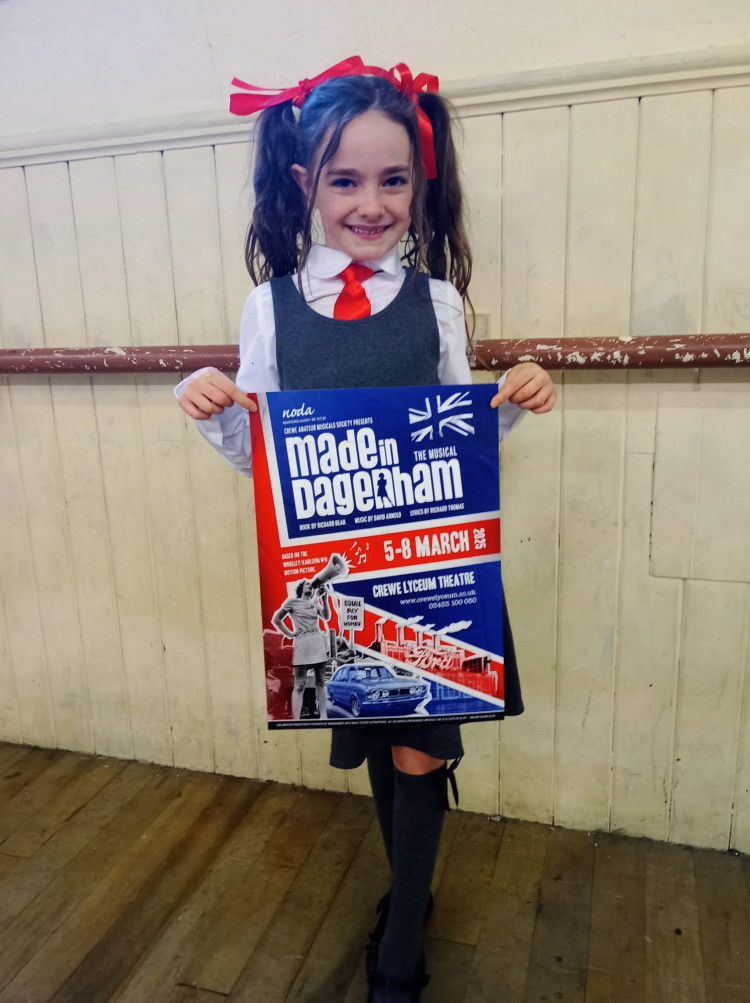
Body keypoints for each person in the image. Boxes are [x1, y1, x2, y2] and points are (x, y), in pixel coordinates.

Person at [176, 57, 556, 1003]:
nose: (371, 201)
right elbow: (269, 463)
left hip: (434, 567)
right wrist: (218, 409)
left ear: (420, 188)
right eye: (346, 179)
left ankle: (400, 955)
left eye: (394, 180)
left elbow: (456, 444)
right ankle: (409, 891)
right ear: (307, 183)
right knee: (382, 745)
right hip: (337, 579)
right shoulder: (270, 307)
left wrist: (509, 399)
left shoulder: (436, 302)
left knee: (424, 743)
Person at [272, 578, 332, 720]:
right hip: (302, 643)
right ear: (301, 588)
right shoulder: (291, 602)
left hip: (317, 641)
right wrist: (289, 634)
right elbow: (276, 618)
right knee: (299, 684)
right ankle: (296, 719)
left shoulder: (314, 604)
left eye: (312, 586)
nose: (310, 587)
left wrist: (326, 599)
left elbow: (327, 617)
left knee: (320, 681)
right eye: (307, 584)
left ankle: (324, 716)